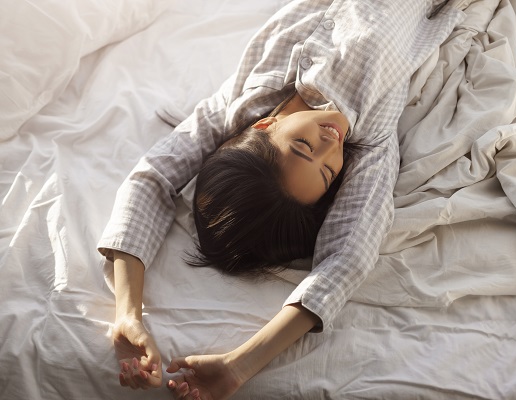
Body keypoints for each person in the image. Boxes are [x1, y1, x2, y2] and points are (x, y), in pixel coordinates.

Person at [98, 0, 464, 399]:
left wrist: (127, 311)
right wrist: (241, 363)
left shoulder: (243, 102)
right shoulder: (372, 139)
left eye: (304, 147)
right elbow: (348, 257)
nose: (331, 141)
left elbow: (151, 178)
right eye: (328, 172)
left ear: (267, 124)